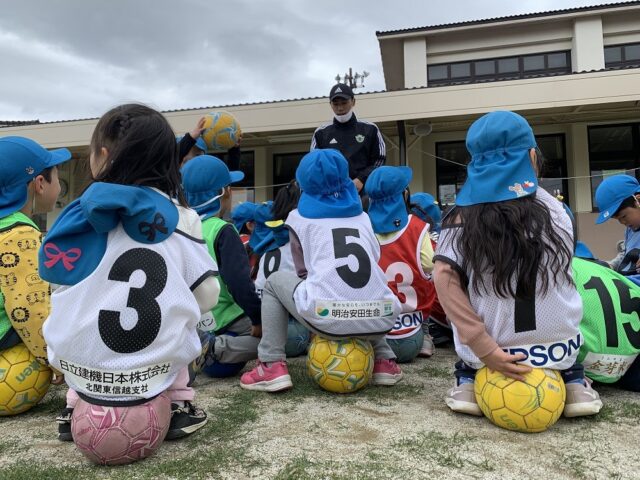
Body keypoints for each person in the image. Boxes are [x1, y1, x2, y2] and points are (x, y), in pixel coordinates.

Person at [40, 104, 220, 440]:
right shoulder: (182, 218)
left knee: (77, 308)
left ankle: (73, 405)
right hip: (154, 368)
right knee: (190, 315)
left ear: (102, 156)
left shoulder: (74, 217)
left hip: (79, 366)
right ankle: (178, 404)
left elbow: (55, 283)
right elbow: (207, 296)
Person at [433, 110, 602, 418]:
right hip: (558, 348)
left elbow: (444, 277)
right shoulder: (559, 211)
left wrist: (484, 348)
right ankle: (574, 380)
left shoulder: (460, 216)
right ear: (532, 156)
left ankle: (468, 377)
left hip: (491, 349)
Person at [240, 149, 403, 392]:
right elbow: (373, 260)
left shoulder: (297, 218)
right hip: (383, 316)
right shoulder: (363, 217)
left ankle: (271, 364)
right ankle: (385, 361)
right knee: (368, 288)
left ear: (304, 184)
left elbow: (302, 272)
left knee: (274, 282)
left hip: (328, 317)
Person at [0, 136, 70, 388]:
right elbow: (28, 310)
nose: (59, 186)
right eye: (57, 178)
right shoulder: (19, 235)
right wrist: (56, 361)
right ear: (39, 183)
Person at [181, 155, 262, 368]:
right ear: (224, 192)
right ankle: (213, 349)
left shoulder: (178, 229)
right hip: (227, 323)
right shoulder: (222, 230)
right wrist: (258, 318)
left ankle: (197, 348)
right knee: (286, 336)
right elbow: (239, 284)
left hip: (192, 327)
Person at [364, 166, 436, 361]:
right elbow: (429, 265)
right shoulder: (417, 227)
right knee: (429, 277)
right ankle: (427, 335)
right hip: (412, 335)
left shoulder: (364, 228)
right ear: (404, 195)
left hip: (378, 334)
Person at [310, 83, 386, 193]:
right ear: (330, 104)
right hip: (332, 193)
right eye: (335, 104)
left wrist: (361, 179)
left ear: (353, 101)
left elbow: (379, 159)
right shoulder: (321, 133)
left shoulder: (370, 129)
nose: (340, 108)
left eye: (344, 103)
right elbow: (314, 164)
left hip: (364, 192)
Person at [594, 175, 640, 280]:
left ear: (638, 201)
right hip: (627, 283)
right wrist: (610, 265)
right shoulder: (630, 231)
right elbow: (625, 255)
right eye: (617, 219)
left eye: (624, 216)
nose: (622, 222)